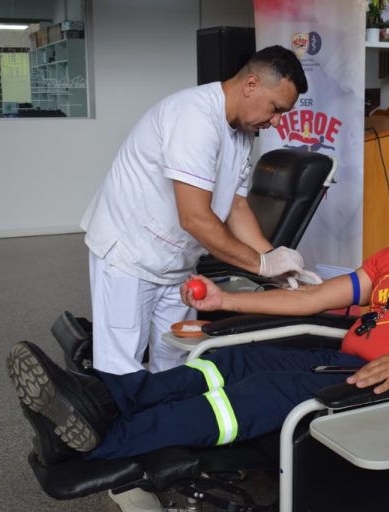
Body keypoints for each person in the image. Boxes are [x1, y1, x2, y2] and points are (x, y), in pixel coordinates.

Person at [7, 166, 389, 462]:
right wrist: (224, 303)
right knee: (228, 362)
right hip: (341, 359)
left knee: (253, 395)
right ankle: (94, 398)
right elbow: (306, 300)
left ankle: (91, 445)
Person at [79, 45, 318, 375]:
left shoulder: (244, 130)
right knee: (121, 366)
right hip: (129, 254)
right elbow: (194, 217)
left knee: (176, 357)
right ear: (251, 85)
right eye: (276, 109)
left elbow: (234, 204)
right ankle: (113, 425)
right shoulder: (194, 117)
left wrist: (274, 258)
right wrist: (261, 264)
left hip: (177, 260)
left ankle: (164, 423)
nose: (277, 121)